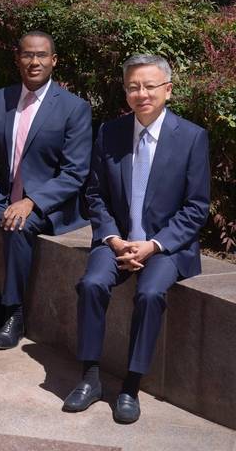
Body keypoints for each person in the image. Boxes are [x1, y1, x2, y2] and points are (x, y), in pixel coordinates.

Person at [63, 54, 210, 424]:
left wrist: (153, 245)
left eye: (149, 85)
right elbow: (94, 195)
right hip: (116, 241)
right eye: (133, 86)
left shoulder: (191, 138)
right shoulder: (110, 133)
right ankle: (91, 377)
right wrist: (114, 240)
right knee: (92, 283)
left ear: (168, 90)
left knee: (150, 293)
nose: (141, 93)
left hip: (166, 246)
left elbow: (196, 206)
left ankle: (130, 385)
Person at [0, 30, 92, 349]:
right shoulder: (0, 100)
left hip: (48, 202)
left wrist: (32, 202)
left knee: (17, 225)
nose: (34, 61)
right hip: (2, 193)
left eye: (41, 55)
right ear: (17, 59)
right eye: (27, 55)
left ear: (54, 61)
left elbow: (74, 173)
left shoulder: (74, 108)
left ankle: (15, 313)